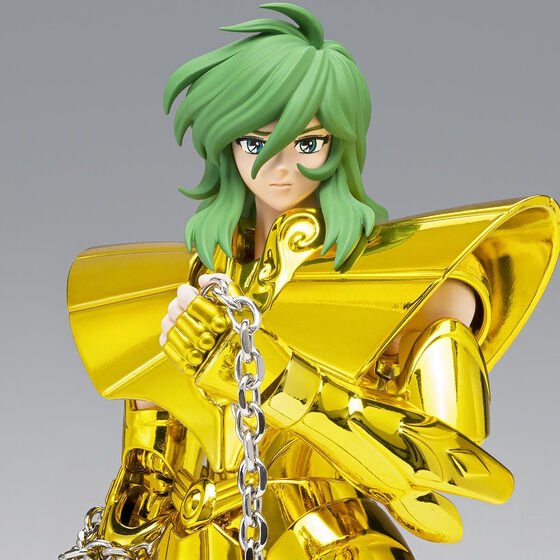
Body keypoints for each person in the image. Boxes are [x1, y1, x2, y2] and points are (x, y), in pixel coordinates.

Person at [63, 4, 560, 559]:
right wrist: (124, 524)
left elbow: (454, 489)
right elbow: (144, 477)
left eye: (307, 143)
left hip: (329, 540)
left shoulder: (418, 287)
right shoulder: (194, 281)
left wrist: (280, 381)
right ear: (226, 146)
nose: (281, 167)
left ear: (339, 145)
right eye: (255, 143)